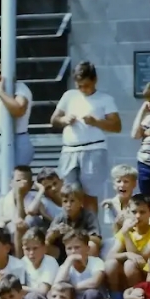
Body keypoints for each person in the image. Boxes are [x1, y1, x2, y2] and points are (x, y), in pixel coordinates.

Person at [51, 61, 121, 214]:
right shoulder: (69, 96)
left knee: (89, 195)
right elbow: (54, 120)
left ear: (94, 80)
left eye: (86, 85)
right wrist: (64, 119)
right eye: (79, 86)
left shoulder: (105, 99)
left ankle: (92, 232)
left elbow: (116, 126)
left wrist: (96, 122)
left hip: (93, 149)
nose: (83, 89)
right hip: (70, 150)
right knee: (69, 193)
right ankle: (72, 232)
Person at [0, 59, 33, 167]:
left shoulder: (20, 89)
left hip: (14, 140)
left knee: (13, 179)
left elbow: (19, 110)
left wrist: (0, 93)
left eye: (1, 73)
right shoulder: (5, 91)